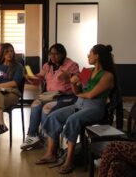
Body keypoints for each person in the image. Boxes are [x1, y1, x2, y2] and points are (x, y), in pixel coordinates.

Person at [36, 44, 116, 174]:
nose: (88, 56)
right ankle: (51, 153)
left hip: (95, 107)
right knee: (53, 116)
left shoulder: (107, 76)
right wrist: (72, 82)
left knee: (73, 120)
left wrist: (79, 93)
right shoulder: (87, 71)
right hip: (79, 104)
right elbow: (76, 91)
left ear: (97, 56)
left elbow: (91, 94)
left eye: (90, 53)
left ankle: (69, 160)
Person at [21, 43, 79, 150]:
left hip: (66, 96)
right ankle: (32, 136)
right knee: (35, 104)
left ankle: (48, 137)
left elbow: (80, 80)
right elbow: (40, 77)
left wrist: (70, 76)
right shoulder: (47, 66)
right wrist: (31, 78)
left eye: (56, 54)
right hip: (50, 95)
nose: (53, 56)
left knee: (46, 108)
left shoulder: (71, 65)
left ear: (63, 54)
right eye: (51, 54)